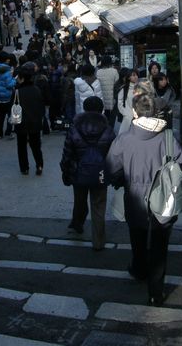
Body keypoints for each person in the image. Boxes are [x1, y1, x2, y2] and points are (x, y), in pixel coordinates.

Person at [105, 91, 182, 306]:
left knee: (138, 237)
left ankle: (139, 270)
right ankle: (155, 293)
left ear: (135, 112)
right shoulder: (168, 138)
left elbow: (112, 168)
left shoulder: (124, 140)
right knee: (160, 246)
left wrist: (119, 181)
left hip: (134, 198)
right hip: (164, 199)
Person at [60, 96, 115, 250]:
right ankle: (98, 241)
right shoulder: (107, 128)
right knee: (98, 205)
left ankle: (77, 223)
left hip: (78, 170)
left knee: (80, 199)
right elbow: (113, 153)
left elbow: (68, 151)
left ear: (84, 108)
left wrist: (65, 170)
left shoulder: (75, 126)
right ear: (101, 109)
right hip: (100, 172)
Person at [14, 63, 45, 175]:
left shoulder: (17, 92)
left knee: (21, 146)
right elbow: (42, 106)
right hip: (35, 121)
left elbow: (13, 107)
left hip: (21, 122)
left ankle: (24, 167)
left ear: (22, 78)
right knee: (36, 145)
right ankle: (39, 165)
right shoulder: (36, 90)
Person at [0, 54, 17, 139]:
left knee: (0, 116)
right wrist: (14, 79)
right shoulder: (7, 72)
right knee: (9, 115)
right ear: (6, 60)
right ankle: (8, 132)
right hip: (7, 97)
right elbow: (9, 85)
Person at [95, 55, 120, 128]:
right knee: (111, 117)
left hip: (102, 96)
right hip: (111, 97)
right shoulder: (114, 71)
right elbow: (117, 83)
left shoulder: (98, 72)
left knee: (104, 115)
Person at [116, 68, 139, 135]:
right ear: (129, 77)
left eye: (136, 75)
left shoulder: (141, 87)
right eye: (133, 75)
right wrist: (125, 113)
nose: (136, 77)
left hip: (139, 116)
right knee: (125, 134)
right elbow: (119, 102)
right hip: (128, 117)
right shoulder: (124, 88)